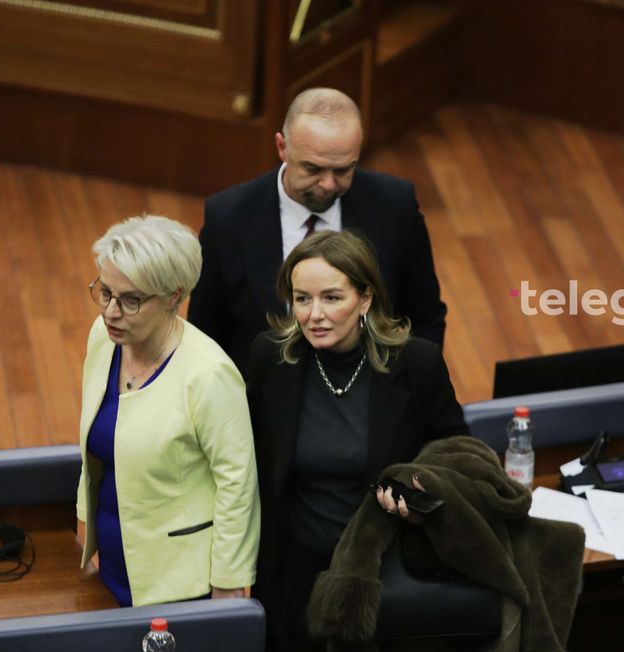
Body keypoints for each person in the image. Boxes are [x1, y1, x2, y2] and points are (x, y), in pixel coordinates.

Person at [245, 229, 468, 651]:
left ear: (365, 298)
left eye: (331, 298)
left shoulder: (416, 363)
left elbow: (458, 453)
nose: (314, 315)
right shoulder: (271, 357)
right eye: (302, 299)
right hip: (292, 574)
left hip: (384, 573)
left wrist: (422, 494)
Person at [188, 87, 446, 373]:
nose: (328, 184)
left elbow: (424, 317)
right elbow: (204, 333)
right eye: (313, 169)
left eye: (343, 170)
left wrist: (410, 388)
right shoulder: (228, 217)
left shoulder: (394, 206)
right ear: (282, 148)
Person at [75, 214, 260, 607]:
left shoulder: (210, 375)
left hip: (179, 585)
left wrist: (228, 584)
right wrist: (84, 527)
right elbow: (94, 452)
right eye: (105, 292)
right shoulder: (103, 338)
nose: (110, 312)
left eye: (131, 300)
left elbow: (238, 485)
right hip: (108, 565)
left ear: (174, 297)